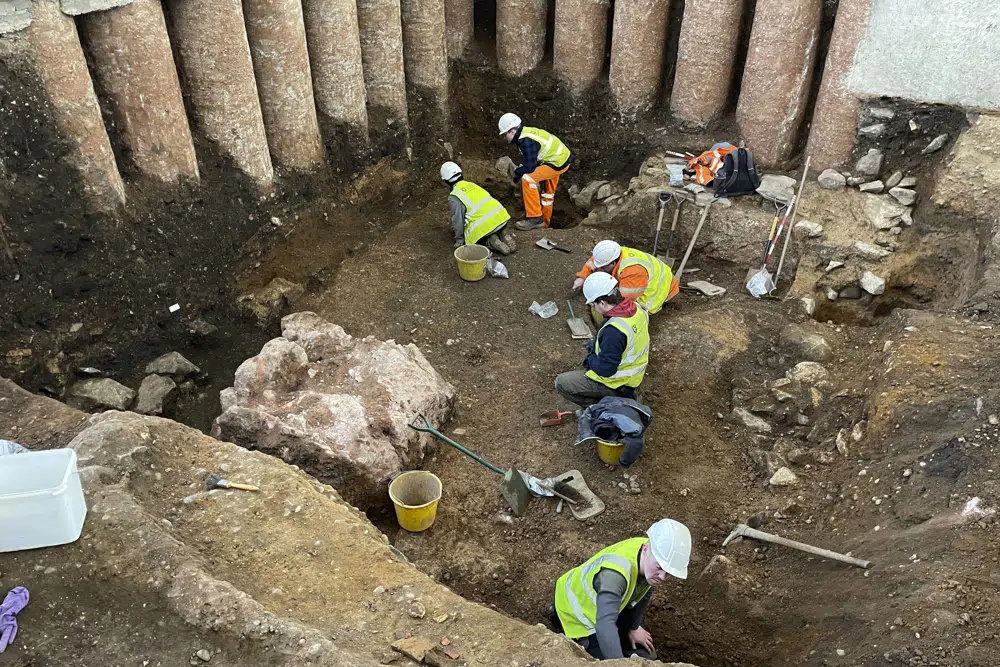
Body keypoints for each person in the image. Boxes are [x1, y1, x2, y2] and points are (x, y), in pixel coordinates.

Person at [552, 518, 692, 660]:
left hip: (611, 607)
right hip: (576, 615)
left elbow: (644, 591)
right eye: (659, 567)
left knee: (648, 656)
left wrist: (634, 627)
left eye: (668, 572)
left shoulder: (651, 554)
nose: (662, 577)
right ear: (645, 549)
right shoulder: (615, 576)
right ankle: (571, 632)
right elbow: (604, 625)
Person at [555, 273, 649, 408]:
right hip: (633, 376)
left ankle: (603, 407)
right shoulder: (636, 308)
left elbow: (606, 369)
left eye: (593, 304)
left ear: (603, 303)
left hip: (617, 383)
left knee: (562, 382)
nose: (594, 307)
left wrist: (591, 358)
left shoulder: (614, 331)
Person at [497, 112, 573, 231]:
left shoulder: (525, 141)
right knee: (548, 194)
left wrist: (516, 174)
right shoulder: (526, 132)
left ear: (512, 131)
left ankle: (535, 218)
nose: (504, 138)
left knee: (528, 179)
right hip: (561, 158)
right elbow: (533, 158)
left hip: (556, 163)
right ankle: (545, 226)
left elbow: (530, 168)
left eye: (504, 134)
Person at [573, 240, 678, 314]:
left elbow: (623, 300)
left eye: (603, 267)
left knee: (630, 310)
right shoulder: (613, 252)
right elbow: (594, 261)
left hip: (662, 288)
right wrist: (582, 277)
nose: (599, 269)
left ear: (612, 263)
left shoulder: (632, 272)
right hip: (654, 275)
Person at [441, 161, 516, 255]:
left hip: (485, 228)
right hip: (501, 219)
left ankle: (492, 241)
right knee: (495, 227)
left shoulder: (455, 196)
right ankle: (503, 233)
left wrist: (459, 240)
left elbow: (458, 220)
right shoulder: (472, 185)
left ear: (446, 181)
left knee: (476, 237)